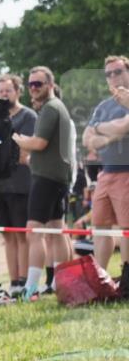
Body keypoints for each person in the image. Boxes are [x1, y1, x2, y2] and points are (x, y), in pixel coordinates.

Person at [14, 67, 73, 300]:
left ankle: (30, 288)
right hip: (55, 177)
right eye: (30, 84)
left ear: (50, 84)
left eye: (38, 83)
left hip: (46, 179)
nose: (33, 88)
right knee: (58, 231)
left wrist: (17, 139)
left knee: (34, 232)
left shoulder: (50, 108)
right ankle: (60, 282)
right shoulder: (56, 107)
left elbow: (39, 143)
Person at [0, 74, 37, 297]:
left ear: (17, 92)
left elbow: (26, 151)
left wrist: (4, 153)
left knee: (22, 235)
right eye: (0, 91)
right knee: (7, 236)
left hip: (21, 185)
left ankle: (25, 280)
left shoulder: (28, 116)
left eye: (8, 91)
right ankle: (13, 282)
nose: (3, 95)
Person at [83, 55, 129, 278]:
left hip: (127, 172)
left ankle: (127, 278)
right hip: (106, 173)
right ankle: (100, 278)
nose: (113, 77)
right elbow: (86, 138)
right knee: (100, 227)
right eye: (108, 74)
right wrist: (109, 133)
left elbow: (125, 126)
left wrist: (100, 130)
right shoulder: (103, 106)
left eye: (118, 71)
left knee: (127, 229)